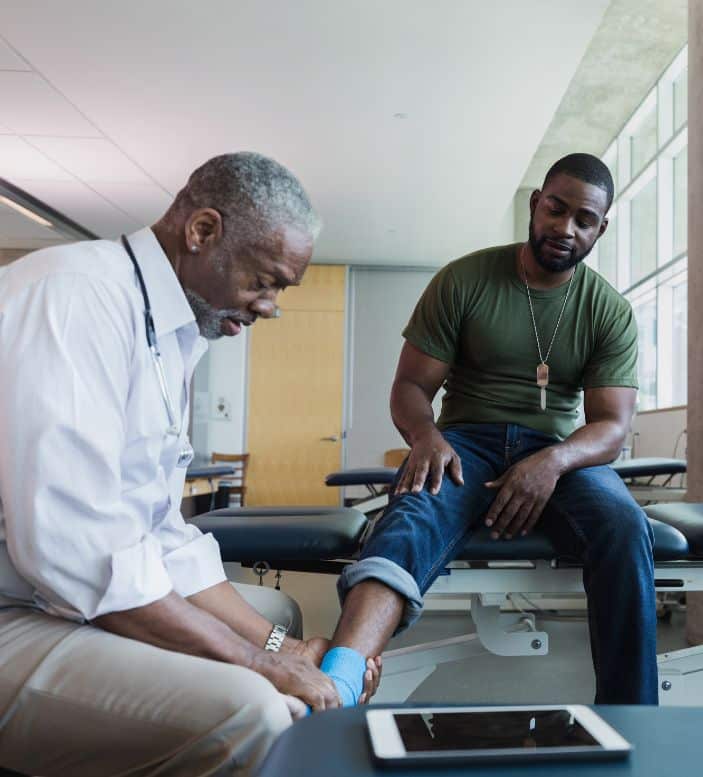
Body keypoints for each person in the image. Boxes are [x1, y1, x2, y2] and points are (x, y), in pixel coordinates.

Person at [0, 152, 378, 776]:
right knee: (252, 710)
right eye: (265, 281)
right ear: (202, 232)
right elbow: (77, 553)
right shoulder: (74, 299)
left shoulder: (172, 335)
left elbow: (160, 536)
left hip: (47, 595)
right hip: (20, 607)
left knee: (277, 616)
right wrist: (261, 663)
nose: (270, 307)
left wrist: (287, 648)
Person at [318, 153, 657, 708]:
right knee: (408, 516)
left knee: (623, 524)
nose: (565, 228)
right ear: (535, 204)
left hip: (559, 450)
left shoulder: (608, 310)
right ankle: (337, 682)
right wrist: (425, 437)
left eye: (584, 219)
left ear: (601, 227)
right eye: (556, 208)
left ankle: (633, 717)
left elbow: (611, 427)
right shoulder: (465, 279)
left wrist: (550, 464)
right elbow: (410, 387)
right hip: (463, 443)